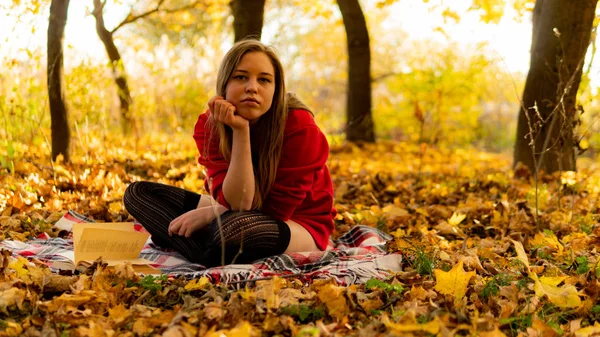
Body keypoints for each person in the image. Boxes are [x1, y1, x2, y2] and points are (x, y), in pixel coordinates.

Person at [123, 39, 336, 267]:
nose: (252, 87)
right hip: (237, 209)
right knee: (138, 193)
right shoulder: (209, 124)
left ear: (276, 89)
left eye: (264, 80)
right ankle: (207, 248)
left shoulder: (300, 126)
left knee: (232, 229)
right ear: (224, 83)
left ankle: (195, 246)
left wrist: (213, 213)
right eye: (241, 77)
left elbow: (276, 210)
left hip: (297, 222)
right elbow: (236, 200)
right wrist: (239, 130)